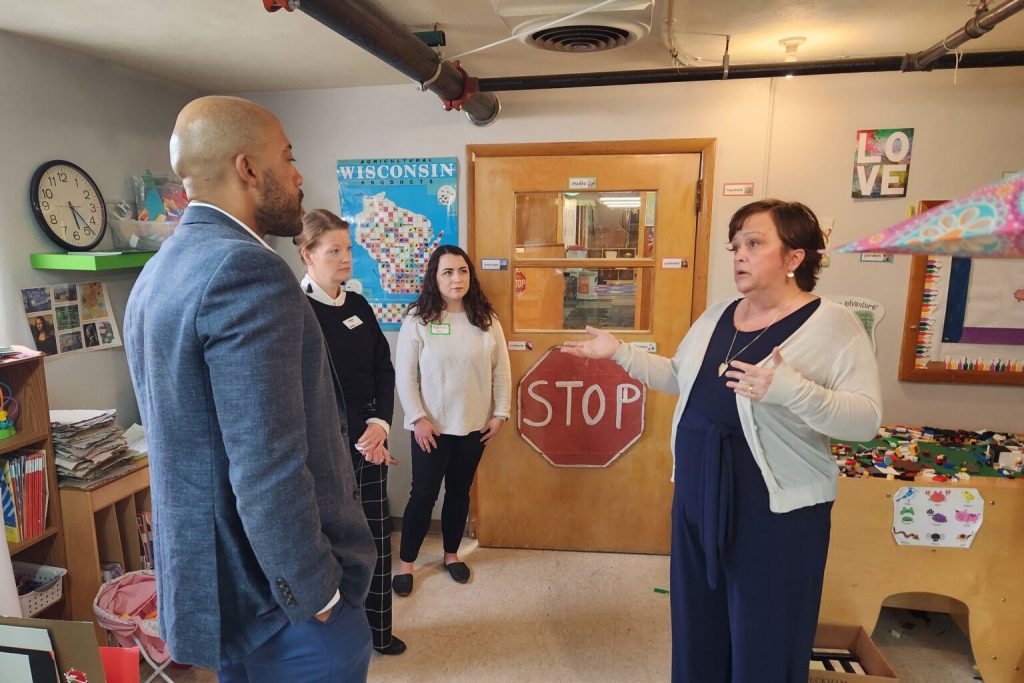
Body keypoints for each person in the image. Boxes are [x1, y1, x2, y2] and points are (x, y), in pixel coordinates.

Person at [562, 199, 882, 682]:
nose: (739, 256)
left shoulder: (833, 325)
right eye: (736, 246)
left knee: (765, 632)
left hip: (775, 510)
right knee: (699, 624)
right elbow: (678, 376)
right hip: (698, 497)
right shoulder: (718, 315)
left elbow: (866, 420)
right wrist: (620, 353)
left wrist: (792, 390)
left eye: (754, 244)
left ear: (795, 257)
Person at [123, 96, 377, 682]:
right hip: (285, 603)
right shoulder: (248, 271)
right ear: (247, 168)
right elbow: (267, 463)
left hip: (217, 592)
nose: (298, 174)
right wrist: (317, 591)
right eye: (288, 158)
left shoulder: (159, 270)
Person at [294, 208, 406, 656]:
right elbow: (309, 389)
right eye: (333, 250)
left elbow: (382, 367)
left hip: (371, 447)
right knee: (338, 549)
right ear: (307, 254)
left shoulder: (358, 305)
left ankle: (379, 632)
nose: (345, 258)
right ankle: (343, 641)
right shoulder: (297, 313)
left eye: (348, 248)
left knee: (377, 543)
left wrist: (379, 427)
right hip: (327, 454)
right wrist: (357, 438)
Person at [393, 245, 511, 596]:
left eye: (462, 271)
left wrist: (500, 413)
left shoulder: (486, 321)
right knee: (423, 495)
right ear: (434, 277)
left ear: (470, 276)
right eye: (447, 272)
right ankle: (406, 565)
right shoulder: (418, 320)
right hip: (431, 429)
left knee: (459, 493)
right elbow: (405, 376)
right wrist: (417, 419)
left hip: (473, 427)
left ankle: (450, 555)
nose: (456, 279)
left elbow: (501, 370)